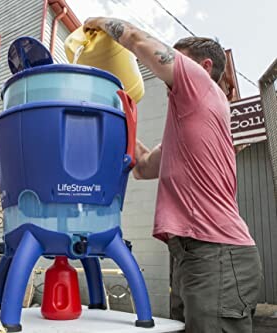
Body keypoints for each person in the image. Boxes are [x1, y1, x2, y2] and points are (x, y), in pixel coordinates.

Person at [83, 18, 262, 332]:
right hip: (191, 254)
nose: (169, 67)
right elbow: (142, 168)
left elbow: (137, 39)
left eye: (179, 57)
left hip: (217, 252)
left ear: (204, 67)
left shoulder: (204, 86)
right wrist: (116, 114)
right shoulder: (186, 126)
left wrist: (97, 22)